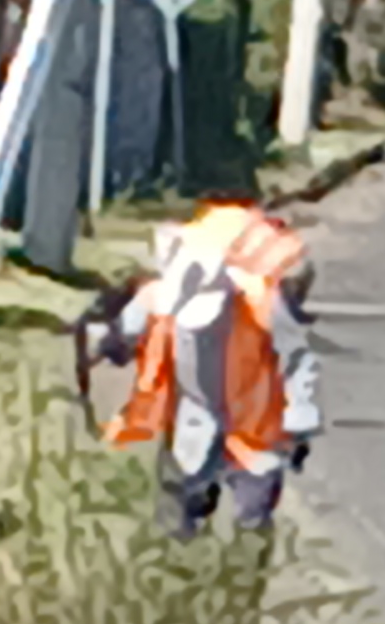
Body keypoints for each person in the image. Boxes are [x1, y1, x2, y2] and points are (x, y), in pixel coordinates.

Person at [97, 197, 318, 535]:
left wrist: (298, 420)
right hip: (196, 407)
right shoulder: (163, 297)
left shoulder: (262, 306)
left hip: (254, 418)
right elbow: (127, 328)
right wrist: (114, 342)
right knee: (183, 486)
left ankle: (247, 547)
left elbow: (296, 360)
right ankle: (178, 546)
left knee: (252, 505)